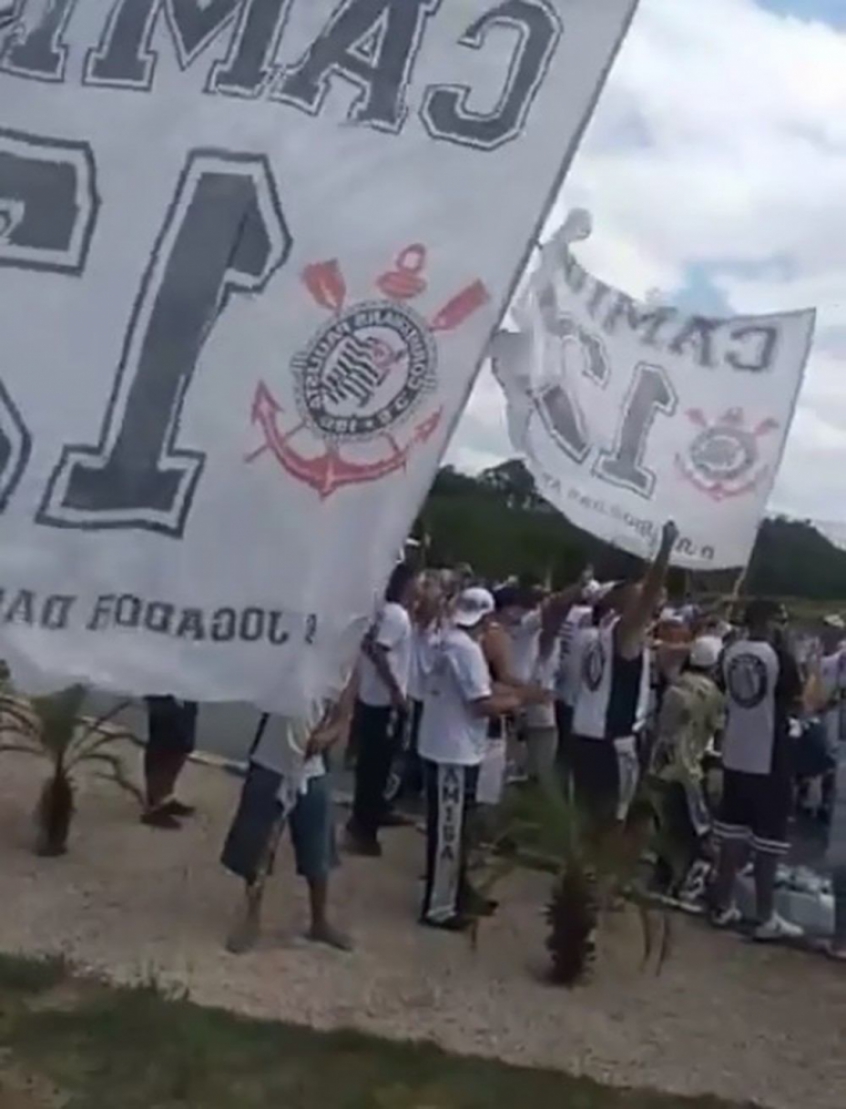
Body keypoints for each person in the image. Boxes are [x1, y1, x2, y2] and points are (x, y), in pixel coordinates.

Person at [418, 587, 542, 930]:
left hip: (444, 745)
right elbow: (481, 703)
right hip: (453, 752)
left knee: (457, 829)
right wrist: (522, 701)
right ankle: (440, 907)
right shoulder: (467, 649)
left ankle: (457, 892)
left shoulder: (446, 640)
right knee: (449, 832)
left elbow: (483, 688)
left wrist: (520, 693)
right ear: (487, 618)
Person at [222, 681, 355, 955]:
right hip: (270, 760)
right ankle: (251, 917)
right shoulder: (288, 650)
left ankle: (319, 921)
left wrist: (327, 737)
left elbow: (343, 717)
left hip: (311, 767)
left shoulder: (345, 663)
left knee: (318, 847)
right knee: (257, 844)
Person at [570, 521, 678, 838]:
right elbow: (651, 592)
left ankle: (576, 878)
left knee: (582, 816)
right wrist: (666, 549)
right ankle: (595, 881)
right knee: (613, 820)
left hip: (584, 733)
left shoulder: (592, 634)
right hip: (612, 740)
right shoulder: (624, 632)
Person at [711, 598, 804, 941]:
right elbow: (797, 700)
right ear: (770, 622)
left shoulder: (730, 652)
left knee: (732, 835)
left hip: (736, 750)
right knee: (768, 842)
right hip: (770, 754)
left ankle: (723, 904)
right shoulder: (781, 658)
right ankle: (766, 916)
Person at [346, 562, 415, 856]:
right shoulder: (396, 615)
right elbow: (378, 650)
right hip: (383, 701)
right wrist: (396, 690)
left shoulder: (383, 611)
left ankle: (371, 813)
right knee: (376, 766)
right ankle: (363, 828)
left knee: (374, 763)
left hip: (372, 697)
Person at [651, 635, 724, 898]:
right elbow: (718, 734)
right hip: (688, 770)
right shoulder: (713, 694)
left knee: (667, 828)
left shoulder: (675, 684)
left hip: (660, 765)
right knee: (695, 832)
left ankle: (661, 880)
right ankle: (685, 886)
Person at [142, 696, 198, 829]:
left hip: (187, 687)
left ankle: (165, 797)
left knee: (183, 743)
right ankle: (154, 805)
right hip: (165, 688)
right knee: (164, 742)